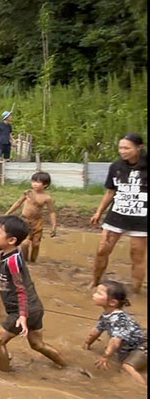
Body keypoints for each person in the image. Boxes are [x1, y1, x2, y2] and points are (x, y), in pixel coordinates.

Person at [0, 216, 66, 372]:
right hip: (35, 307)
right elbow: (19, 281)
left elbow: (21, 288)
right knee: (37, 345)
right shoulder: (10, 253)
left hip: (22, 310)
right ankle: (65, 366)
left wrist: (22, 315)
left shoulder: (12, 261)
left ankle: (3, 374)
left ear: (11, 240)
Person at [90, 133, 148, 293]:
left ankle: (136, 290)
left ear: (139, 148)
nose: (123, 151)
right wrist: (99, 212)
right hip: (116, 215)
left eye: (127, 148)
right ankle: (94, 283)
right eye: (120, 148)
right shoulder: (115, 167)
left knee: (137, 256)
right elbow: (110, 192)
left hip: (141, 219)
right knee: (102, 250)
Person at [84, 280, 147, 385]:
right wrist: (87, 344)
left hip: (143, 346)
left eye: (99, 293)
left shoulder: (119, 319)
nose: (94, 295)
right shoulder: (106, 315)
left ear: (112, 302)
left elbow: (115, 341)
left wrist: (105, 356)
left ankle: (142, 389)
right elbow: (96, 331)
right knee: (118, 360)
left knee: (127, 367)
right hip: (131, 346)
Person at [5, 171, 57, 262]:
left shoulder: (47, 198)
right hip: (25, 220)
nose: (34, 184)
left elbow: (52, 212)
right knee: (25, 243)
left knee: (36, 244)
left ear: (45, 185)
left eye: (38, 182)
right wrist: (8, 213)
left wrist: (54, 226)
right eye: (33, 181)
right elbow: (18, 203)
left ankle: (33, 261)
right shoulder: (28, 193)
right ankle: (25, 261)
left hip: (37, 222)